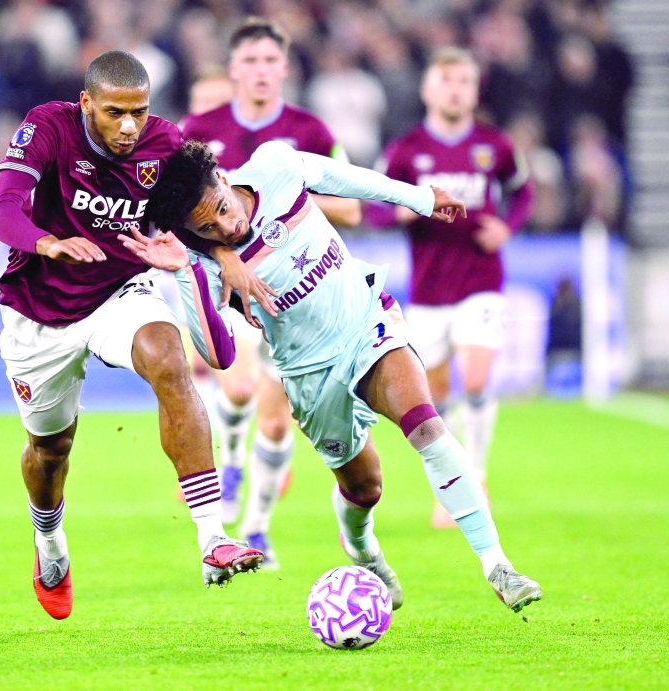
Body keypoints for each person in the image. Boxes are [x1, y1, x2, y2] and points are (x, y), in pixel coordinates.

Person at [122, 139, 542, 614]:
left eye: (222, 209)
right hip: (308, 373)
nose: (227, 226)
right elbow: (218, 355)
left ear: (222, 178)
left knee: (426, 425)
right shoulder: (202, 261)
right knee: (366, 487)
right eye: (208, 227)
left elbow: (349, 179)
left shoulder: (275, 166)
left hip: (366, 324)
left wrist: (420, 198)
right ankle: (362, 546)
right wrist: (186, 273)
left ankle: (497, 565)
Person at [0, 51, 274, 620]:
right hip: (38, 312)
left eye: (138, 112)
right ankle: (50, 544)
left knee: (168, 358)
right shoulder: (48, 127)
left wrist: (222, 256)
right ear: (87, 103)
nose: (128, 127)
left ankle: (212, 537)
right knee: (50, 449)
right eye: (115, 112)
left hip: (121, 289)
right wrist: (47, 242)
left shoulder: (165, 145)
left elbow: (204, 211)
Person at [179, 17, 361, 568]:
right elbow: (178, 218)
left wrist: (275, 192)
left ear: (285, 68)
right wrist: (224, 246)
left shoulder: (308, 132)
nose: (260, 71)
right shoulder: (198, 127)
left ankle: (257, 528)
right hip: (234, 291)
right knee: (234, 390)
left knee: (278, 419)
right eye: (250, 62)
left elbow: (351, 208)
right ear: (234, 69)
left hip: (294, 292)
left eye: (270, 61)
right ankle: (231, 457)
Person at [374, 47, 534, 528]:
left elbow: (522, 190)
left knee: (479, 378)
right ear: (428, 89)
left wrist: (508, 227)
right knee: (435, 396)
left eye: (464, 81)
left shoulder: (495, 145)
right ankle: (453, 484)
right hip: (428, 291)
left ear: (474, 89)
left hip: (481, 281)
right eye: (446, 80)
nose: (455, 89)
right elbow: (377, 203)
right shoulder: (406, 150)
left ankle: (477, 476)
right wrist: (403, 209)